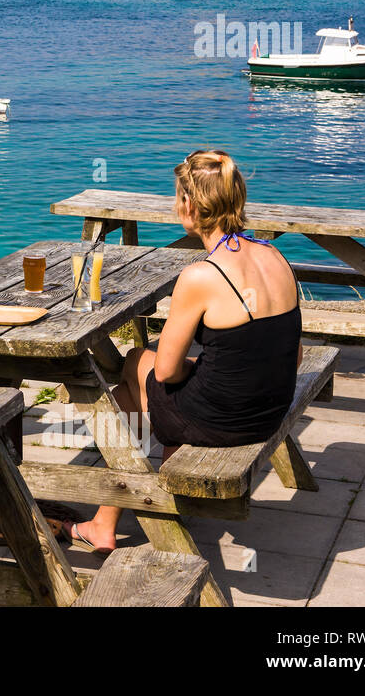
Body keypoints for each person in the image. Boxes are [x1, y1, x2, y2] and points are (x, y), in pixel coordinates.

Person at [64, 150, 303, 554]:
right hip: (269, 411)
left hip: (225, 422)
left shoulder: (201, 275)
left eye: (178, 198)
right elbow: (293, 358)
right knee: (132, 391)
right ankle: (109, 516)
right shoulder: (275, 256)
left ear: (189, 205)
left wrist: (194, 370)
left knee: (137, 366)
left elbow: (168, 373)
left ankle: (114, 517)